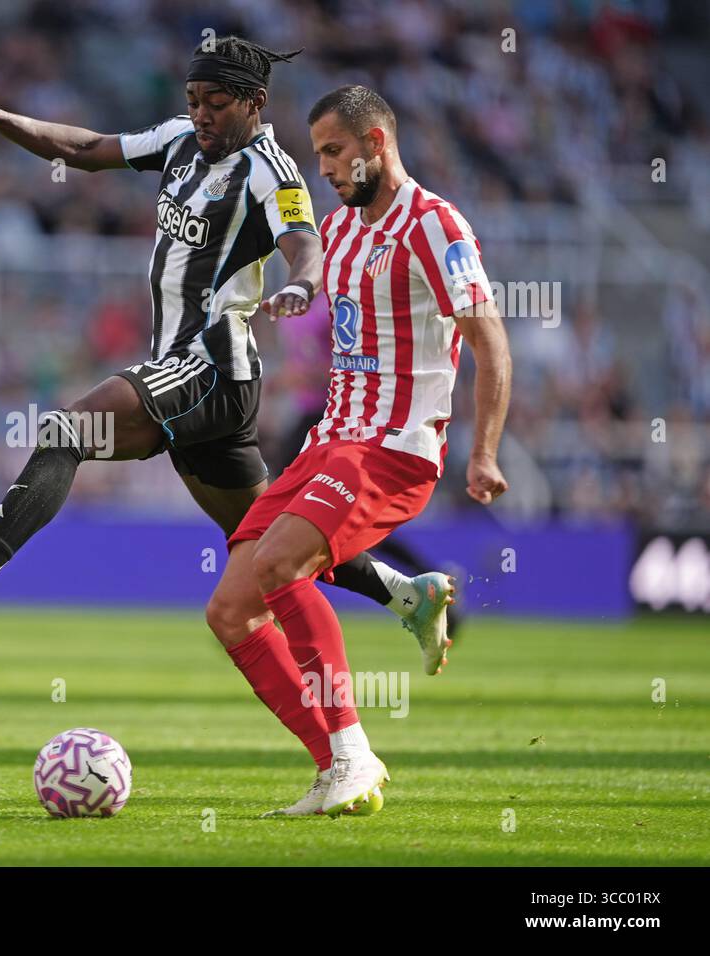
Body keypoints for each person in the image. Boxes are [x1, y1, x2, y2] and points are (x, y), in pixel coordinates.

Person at [0, 40, 452, 672]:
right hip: (192, 376)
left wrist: (300, 286)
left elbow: (303, 243)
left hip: (213, 364)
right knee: (256, 539)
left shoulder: (273, 173)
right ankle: (406, 594)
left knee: (69, 431)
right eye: (193, 101)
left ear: (253, 103)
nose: (201, 114)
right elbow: (86, 148)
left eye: (215, 103)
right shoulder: (179, 140)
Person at [205, 85, 512, 817]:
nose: (327, 169)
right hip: (330, 441)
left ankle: (353, 751)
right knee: (231, 609)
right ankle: (341, 755)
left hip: (393, 449)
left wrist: (486, 451)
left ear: (377, 141)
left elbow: (489, 335)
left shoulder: (434, 225)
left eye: (336, 152)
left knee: (281, 566)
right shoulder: (341, 231)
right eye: (318, 157)